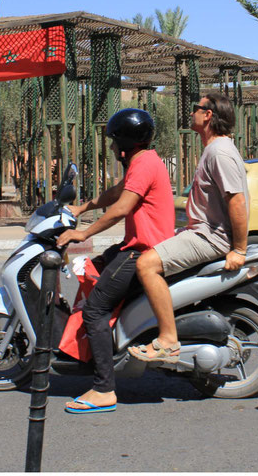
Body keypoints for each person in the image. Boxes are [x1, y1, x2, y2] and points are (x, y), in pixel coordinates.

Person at [55, 108, 174, 414]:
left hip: (142, 251)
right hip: (134, 246)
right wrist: (82, 208)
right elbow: (117, 192)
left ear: (125, 142)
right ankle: (98, 347)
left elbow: (122, 207)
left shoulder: (144, 163)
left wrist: (83, 233)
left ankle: (103, 388)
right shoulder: (142, 161)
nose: (110, 147)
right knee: (95, 268)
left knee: (94, 309)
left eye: (113, 141)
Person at [129, 93, 248, 364]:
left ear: (208, 115)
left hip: (211, 236)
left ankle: (168, 341)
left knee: (146, 265)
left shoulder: (219, 151)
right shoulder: (215, 149)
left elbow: (237, 201)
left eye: (196, 108)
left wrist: (239, 249)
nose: (191, 112)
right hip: (203, 232)